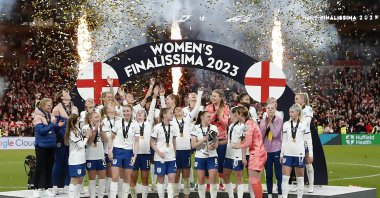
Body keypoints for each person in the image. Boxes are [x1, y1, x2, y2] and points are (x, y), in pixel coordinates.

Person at [172, 88, 203, 198]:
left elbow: (197, 107)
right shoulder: (171, 122)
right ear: (174, 113)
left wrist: (199, 94)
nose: (179, 111)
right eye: (177, 110)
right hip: (175, 152)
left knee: (186, 176)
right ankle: (175, 195)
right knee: (176, 176)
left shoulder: (187, 119)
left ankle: (186, 196)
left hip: (186, 150)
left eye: (180, 109)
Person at [232, 106, 267, 198]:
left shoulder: (248, 125)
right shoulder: (250, 123)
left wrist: (236, 146)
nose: (235, 117)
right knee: (256, 179)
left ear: (241, 114)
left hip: (256, 153)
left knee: (253, 179)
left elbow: (248, 143)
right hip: (259, 152)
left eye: (236, 115)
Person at [32, 98, 65, 197]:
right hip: (41, 145)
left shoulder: (51, 115)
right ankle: (36, 188)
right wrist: (53, 124)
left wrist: (58, 126)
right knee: (40, 167)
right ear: (42, 106)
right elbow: (41, 131)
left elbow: (53, 129)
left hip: (51, 145)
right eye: (48, 105)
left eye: (51, 105)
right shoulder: (37, 117)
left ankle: (46, 188)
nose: (50, 107)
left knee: (49, 167)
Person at [130, 87, 158, 198]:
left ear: (145, 115)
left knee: (145, 178)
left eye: (142, 113)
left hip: (146, 154)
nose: (140, 114)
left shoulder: (149, 122)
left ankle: (144, 196)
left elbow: (151, 110)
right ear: (135, 116)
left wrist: (155, 96)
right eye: (138, 113)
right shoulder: (132, 124)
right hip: (134, 155)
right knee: (133, 177)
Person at [280, 104, 312, 198]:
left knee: (300, 179)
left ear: (298, 113)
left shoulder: (303, 124)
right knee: (285, 178)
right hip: (288, 154)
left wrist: (310, 154)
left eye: (292, 112)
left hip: (299, 154)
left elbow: (307, 140)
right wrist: (282, 154)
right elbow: (284, 141)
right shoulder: (285, 124)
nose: (290, 114)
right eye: (289, 112)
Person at [108, 104, 140, 198]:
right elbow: (111, 138)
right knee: (115, 177)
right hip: (117, 151)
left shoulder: (135, 124)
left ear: (131, 112)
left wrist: (135, 155)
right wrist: (110, 150)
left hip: (129, 152)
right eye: (124, 111)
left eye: (128, 111)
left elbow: (137, 141)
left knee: (127, 178)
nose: (126, 113)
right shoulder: (117, 123)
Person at [52, 90, 79, 195]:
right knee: (58, 163)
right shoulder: (57, 109)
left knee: (70, 163)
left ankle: (67, 185)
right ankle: (55, 186)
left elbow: (76, 124)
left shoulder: (74, 108)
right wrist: (64, 136)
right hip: (61, 140)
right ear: (62, 97)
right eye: (65, 92)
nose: (68, 92)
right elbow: (56, 126)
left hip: (73, 140)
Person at [150, 107, 179, 198]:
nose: (172, 114)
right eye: (170, 113)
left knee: (172, 177)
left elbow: (173, 141)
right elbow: (152, 143)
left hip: (171, 157)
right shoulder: (157, 127)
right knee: (161, 178)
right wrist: (159, 152)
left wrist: (174, 153)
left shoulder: (173, 127)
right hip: (160, 157)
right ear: (164, 115)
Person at [191, 111, 219, 198]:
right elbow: (193, 145)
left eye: (210, 117)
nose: (210, 118)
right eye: (208, 117)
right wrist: (203, 140)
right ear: (202, 117)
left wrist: (213, 146)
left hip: (212, 156)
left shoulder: (214, 128)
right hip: (200, 156)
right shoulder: (195, 128)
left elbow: (216, 144)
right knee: (200, 178)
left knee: (213, 177)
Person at [205, 89, 229, 191]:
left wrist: (219, 115)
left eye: (215, 96)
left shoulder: (226, 108)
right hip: (211, 137)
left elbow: (226, 123)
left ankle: (220, 183)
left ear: (220, 97)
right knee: (209, 160)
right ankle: (209, 184)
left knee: (220, 161)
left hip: (222, 138)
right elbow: (207, 122)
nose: (213, 98)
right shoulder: (208, 107)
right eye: (212, 96)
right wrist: (215, 114)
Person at [64, 114, 92, 198]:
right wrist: (87, 137)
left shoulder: (77, 129)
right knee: (74, 180)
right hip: (75, 159)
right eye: (79, 118)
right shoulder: (73, 132)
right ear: (76, 120)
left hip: (81, 159)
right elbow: (81, 145)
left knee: (80, 179)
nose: (80, 120)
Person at [260, 103, 283, 198]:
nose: (270, 110)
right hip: (267, 150)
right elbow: (261, 135)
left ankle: (280, 194)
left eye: (272, 108)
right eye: (268, 108)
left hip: (277, 149)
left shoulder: (279, 119)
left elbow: (275, 134)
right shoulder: (263, 120)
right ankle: (269, 194)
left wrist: (270, 122)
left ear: (275, 109)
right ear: (266, 110)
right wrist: (265, 123)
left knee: (278, 174)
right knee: (268, 174)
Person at [83, 112, 107, 198]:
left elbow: (105, 140)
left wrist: (101, 128)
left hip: (100, 156)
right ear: (90, 119)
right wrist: (96, 128)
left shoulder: (101, 127)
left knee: (102, 179)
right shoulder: (86, 127)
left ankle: (100, 196)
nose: (98, 119)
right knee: (92, 180)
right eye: (96, 117)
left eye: (99, 117)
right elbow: (90, 141)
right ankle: (92, 196)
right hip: (90, 157)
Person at [223, 107, 246, 198]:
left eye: (231, 114)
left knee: (238, 176)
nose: (230, 116)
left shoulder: (242, 126)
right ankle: (231, 195)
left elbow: (244, 142)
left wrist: (243, 157)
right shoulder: (231, 125)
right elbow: (228, 140)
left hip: (238, 155)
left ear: (236, 114)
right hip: (229, 154)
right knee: (225, 175)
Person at [295, 92, 314, 193]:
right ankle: (299, 185)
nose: (295, 101)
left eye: (297, 99)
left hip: (305, 137)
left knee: (308, 161)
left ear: (303, 99)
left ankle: (311, 185)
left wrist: (297, 116)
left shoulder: (308, 109)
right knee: (296, 162)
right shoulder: (294, 109)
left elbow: (306, 123)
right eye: (295, 99)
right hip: (296, 137)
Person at [101, 102, 121, 196]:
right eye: (111, 106)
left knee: (119, 172)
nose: (114, 107)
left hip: (119, 149)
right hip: (107, 149)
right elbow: (104, 138)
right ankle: (110, 193)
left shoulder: (120, 120)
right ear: (107, 110)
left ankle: (119, 193)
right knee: (109, 172)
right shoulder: (104, 121)